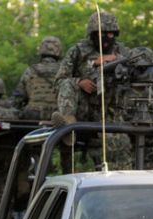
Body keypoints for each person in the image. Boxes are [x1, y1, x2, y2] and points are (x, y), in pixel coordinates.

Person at [51, 11, 133, 169]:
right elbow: (58, 81)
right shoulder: (78, 51)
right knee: (67, 84)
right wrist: (80, 82)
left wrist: (116, 60)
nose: (107, 38)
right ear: (93, 34)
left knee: (119, 152)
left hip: (111, 112)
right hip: (83, 108)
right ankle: (68, 125)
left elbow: (137, 70)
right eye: (103, 34)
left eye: (111, 34)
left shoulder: (122, 51)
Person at [11, 36, 63, 121]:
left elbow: (18, 98)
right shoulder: (65, 71)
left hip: (34, 115)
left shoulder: (31, 70)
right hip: (58, 115)